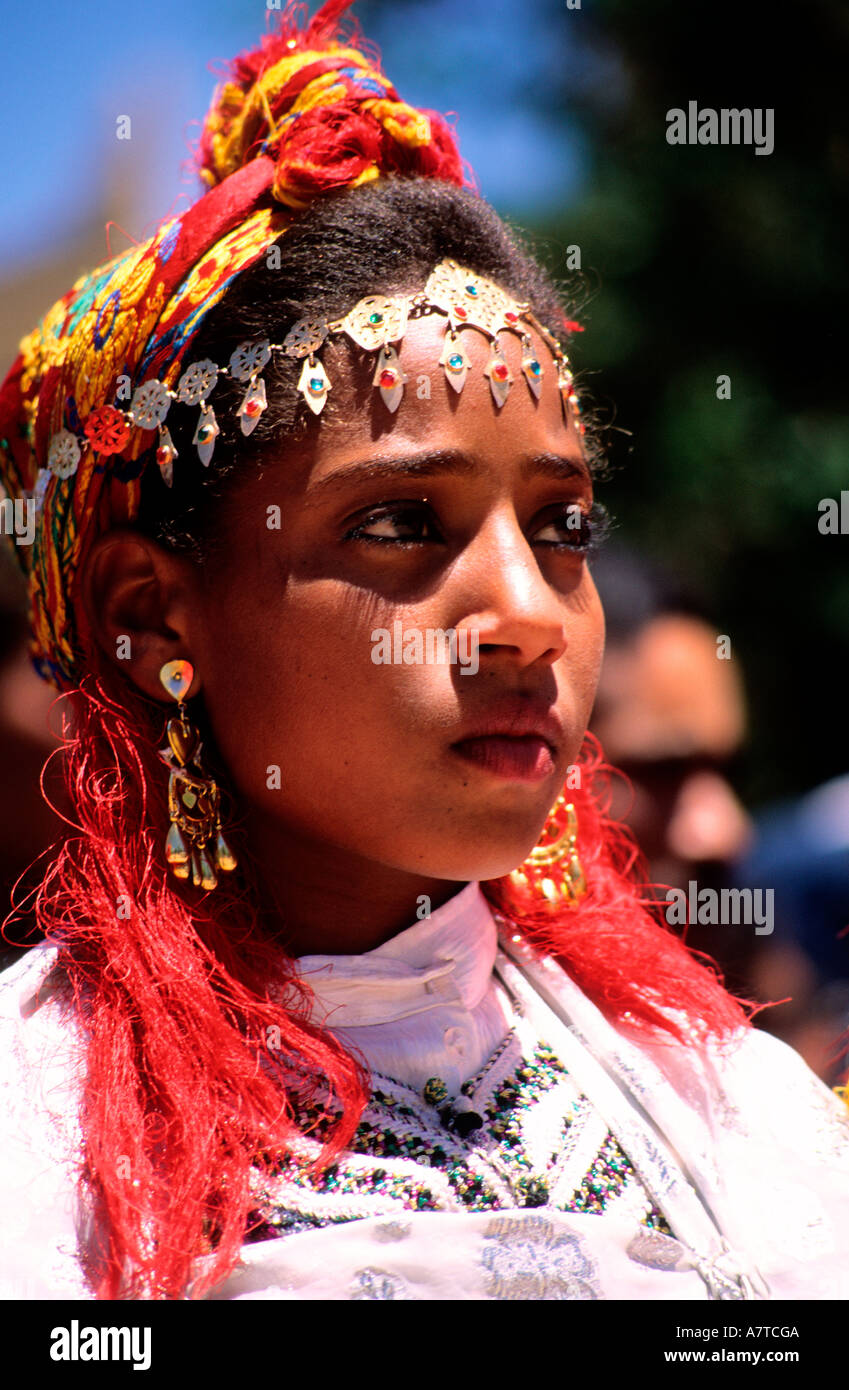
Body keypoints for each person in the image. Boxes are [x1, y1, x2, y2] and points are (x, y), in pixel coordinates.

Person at [0, 0, 848, 1303]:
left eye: (562, 524)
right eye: (402, 521)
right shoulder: (34, 1130)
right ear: (154, 615)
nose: (526, 611)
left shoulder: (730, 1109)